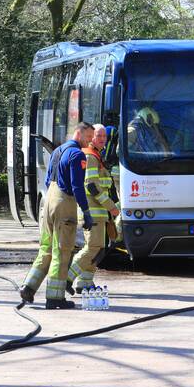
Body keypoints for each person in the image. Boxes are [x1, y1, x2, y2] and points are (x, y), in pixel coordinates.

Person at [19, 121, 94, 309]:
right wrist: (86, 211)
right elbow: (77, 186)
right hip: (64, 204)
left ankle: (28, 287)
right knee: (62, 251)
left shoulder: (57, 151)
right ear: (79, 133)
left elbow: (46, 179)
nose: (91, 141)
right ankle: (55, 297)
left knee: (46, 248)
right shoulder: (77, 155)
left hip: (49, 202)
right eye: (89, 136)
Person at [69, 125, 120, 292]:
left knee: (99, 249)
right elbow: (91, 186)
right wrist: (111, 207)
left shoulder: (97, 156)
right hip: (94, 213)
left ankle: (85, 282)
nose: (103, 139)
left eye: (104, 136)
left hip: (100, 214)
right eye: (99, 136)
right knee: (92, 248)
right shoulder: (90, 156)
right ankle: (67, 278)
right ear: (91, 137)